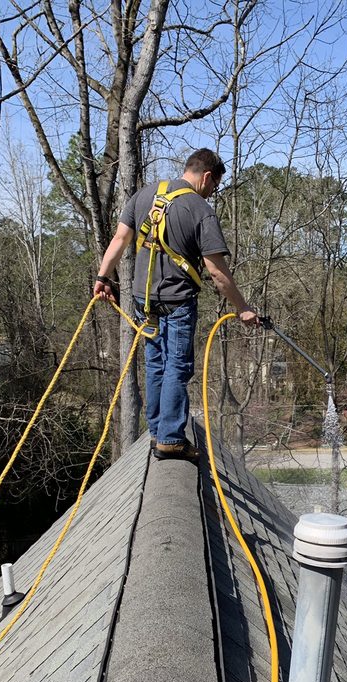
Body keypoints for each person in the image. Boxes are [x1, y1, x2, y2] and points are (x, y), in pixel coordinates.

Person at [93, 148, 258, 463]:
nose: (212, 192)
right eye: (214, 185)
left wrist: (103, 276)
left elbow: (118, 240)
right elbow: (217, 272)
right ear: (206, 176)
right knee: (177, 366)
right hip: (177, 301)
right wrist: (243, 308)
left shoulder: (144, 196)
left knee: (156, 362)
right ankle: (169, 438)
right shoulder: (199, 209)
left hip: (144, 300)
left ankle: (157, 431)